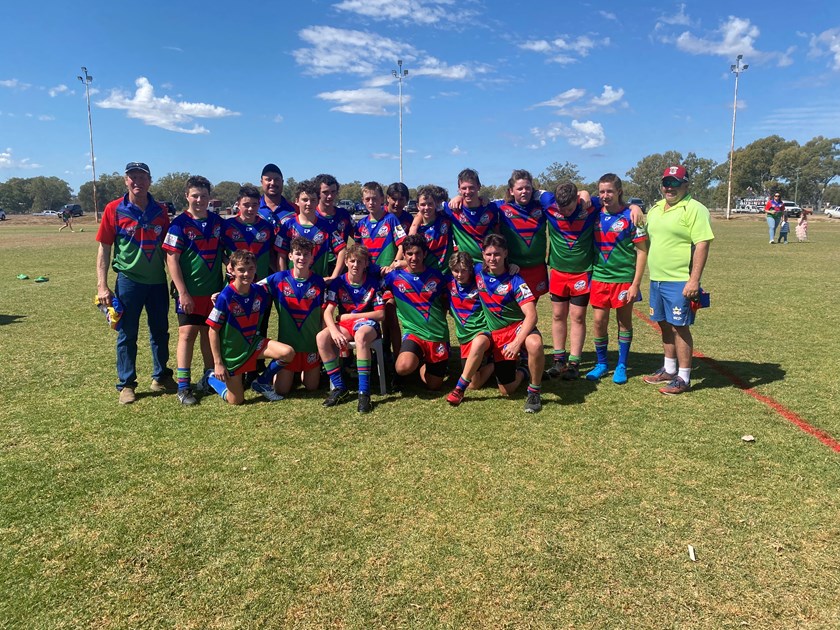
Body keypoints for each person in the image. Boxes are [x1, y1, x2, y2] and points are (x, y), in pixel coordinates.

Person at [95, 162, 175, 404]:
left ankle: (161, 376)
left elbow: (169, 249)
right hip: (129, 281)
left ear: (150, 181)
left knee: (160, 331)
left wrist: (175, 280)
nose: (137, 181)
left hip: (157, 281)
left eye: (142, 177)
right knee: (127, 333)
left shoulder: (160, 211)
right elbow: (104, 248)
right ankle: (127, 384)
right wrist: (102, 285)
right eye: (132, 177)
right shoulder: (113, 209)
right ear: (125, 180)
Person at [643, 165, 714, 395]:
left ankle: (684, 378)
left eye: (674, 183)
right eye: (666, 183)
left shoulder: (695, 209)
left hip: (679, 280)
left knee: (680, 327)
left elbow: (702, 244)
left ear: (686, 185)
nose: (669, 188)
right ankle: (669, 369)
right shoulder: (655, 209)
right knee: (663, 324)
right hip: (657, 278)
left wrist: (694, 280)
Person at [163, 175, 225, 405]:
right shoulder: (179, 224)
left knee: (209, 335)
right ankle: (183, 386)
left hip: (213, 292)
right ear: (187, 196)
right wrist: (183, 293)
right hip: (189, 292)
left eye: (204, 196)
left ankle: (209, 378)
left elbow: (225, 252)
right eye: (195, 196)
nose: (199, 200)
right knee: (187, 334)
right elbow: (172, 259)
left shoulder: (218, 222)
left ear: (209, 197)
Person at [205, 250, 294, 404]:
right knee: (236, 400)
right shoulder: (225, 297)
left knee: (287, 353)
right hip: (233, 353)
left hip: (253, 344)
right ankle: (210, 377)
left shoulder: (259, 291)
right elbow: (213, 331)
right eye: (241, 270)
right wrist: (218, 363)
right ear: (232, 270)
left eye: (250, 269)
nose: (246, 274)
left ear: (256, 269)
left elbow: (279, 280)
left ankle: (261, 382)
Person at [584, 174, 648, 385]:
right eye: (601, 191)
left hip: (623, 279)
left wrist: (635, 284)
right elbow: (581, 198)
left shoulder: (631, 217)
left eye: (609, 191)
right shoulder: (594, 214)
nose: (605, 196)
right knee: (599, 322)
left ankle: (621, 364)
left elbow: (642, 251)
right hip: (600, 277)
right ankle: (602, 363)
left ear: (619, 191)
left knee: (624, 322)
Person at [473, 233, 545, 413]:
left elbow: (532, 315)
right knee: (507, 390)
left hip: (517, 329)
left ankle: (534, 391)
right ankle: (524, 369)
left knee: (535, 343)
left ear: (505, 253)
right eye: (489, 254)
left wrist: (516, 343)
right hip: (497, 335)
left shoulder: (516, 279)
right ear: (483, 255)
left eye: (497, 254)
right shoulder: (477, 272)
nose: (492, 258)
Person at [317, 242, 386, 413]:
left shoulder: (372, 283)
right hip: (346, 326)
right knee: (321, 337)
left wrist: (351, 316)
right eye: (352, 261)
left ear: (366, 264)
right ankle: (340, 387)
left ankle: (364, 393)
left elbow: (380, 314)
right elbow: (328, 312)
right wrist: (334, 331)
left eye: (360, 261)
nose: (355, 265)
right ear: (346, 261)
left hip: (367, 324)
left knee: (361, 336)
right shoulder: (338, 282)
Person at [382, 234, 451, 390]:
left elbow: (450, 299)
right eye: (410, 254)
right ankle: (413, 357)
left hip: (437, 335)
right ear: (404, 256)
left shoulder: (437, 277)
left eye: (418, 253)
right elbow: (374, 283)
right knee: (402, 367)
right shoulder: (394, 277)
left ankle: (423, 361)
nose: (414, 258)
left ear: (424, 254)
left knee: (434, 386)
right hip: (414, 333)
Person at [260, 237, 326, 396]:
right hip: (288, 346)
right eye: (298, 254)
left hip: (310, 345)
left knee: (311, 387)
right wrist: (224, 294)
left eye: (306, 254)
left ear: (312, 257)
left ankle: (302, 372)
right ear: (290, 256)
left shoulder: (319, 282)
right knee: (281, 390)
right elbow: (250, 287)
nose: (302, 258)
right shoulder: (278, 279)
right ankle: (285, 371)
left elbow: (324, 314)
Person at [445, 251, 494, 406]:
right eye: (456, 271)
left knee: (479, 342)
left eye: (464, 270)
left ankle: (459, 389)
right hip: (465, 337)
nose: (460, 275)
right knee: (474, 384)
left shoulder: (480, 282)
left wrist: (512, 266)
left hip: (483, 332)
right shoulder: (447, 284)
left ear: (470, 269)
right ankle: (496, 363)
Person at [277, 180, 346, 280]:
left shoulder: (327, 226)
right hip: (293, 282)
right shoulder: (288, 226)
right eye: (305, 200)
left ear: (318, 201)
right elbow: (281, 255)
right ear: (297, 201)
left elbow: (342, 250)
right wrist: (283, 278)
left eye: (313, 200)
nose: (309, 203)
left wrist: (334, 276)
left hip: (318, 283)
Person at [221, 185, 282, 280]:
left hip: (260, 283)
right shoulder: (227, 225)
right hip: (235, 282)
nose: (250, 209)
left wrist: (280, 276)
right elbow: (218, 250)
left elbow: (272, 255)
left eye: (254, 205)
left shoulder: (266, 227)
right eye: (246, 205)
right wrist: (227, 262)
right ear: (238, 204)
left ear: (259, 204)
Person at [315, 173, 354, 279]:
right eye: (325, 192)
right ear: (318, 193)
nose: (330, 196)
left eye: (333, 192)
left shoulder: (344, 215)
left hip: (341, 269)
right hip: (317, 267)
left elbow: (357, 237)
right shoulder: (311, 215)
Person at [409, 186, 453, 271]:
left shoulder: (445, 218)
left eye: (430, 204)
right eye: (423, 205)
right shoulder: (417, 232)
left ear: (435, 204)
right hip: (428, 275)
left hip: (447, 273)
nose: (426, 208)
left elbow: (460, 204)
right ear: (417, 206)